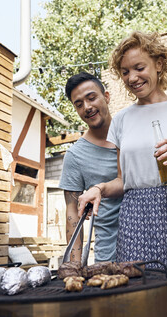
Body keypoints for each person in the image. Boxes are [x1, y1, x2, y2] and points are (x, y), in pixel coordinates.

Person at [77, 31, 167, 317]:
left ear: (158, 64)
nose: (132, 77)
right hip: (137, 218)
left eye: (139, 67)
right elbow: (124, 180)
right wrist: (99, 188)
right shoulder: (121, 120)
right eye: (125, 72)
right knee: (142, 305)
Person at [59, 72, 122, 263]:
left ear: (107, 96)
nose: (87, 107)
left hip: (150, 245)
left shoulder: (131, 134)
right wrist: (75, 266)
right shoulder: (75, 156)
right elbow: (72, 213)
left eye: (91, 98)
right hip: (109, 255)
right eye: (79, 104)